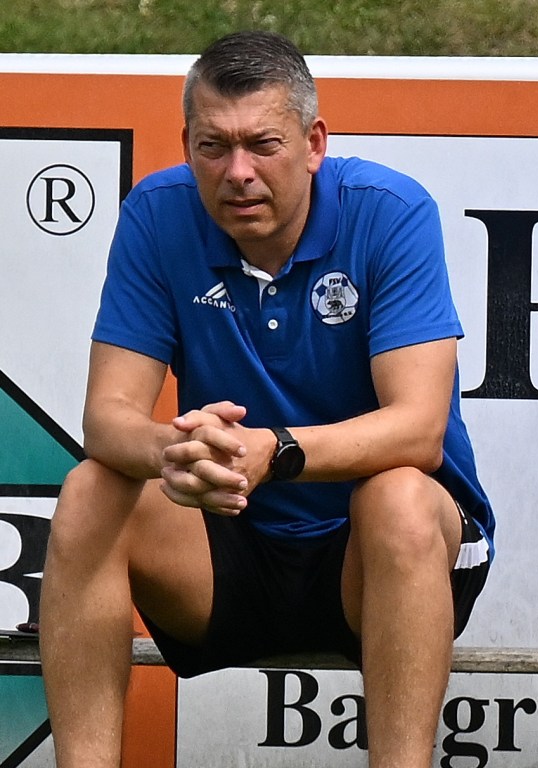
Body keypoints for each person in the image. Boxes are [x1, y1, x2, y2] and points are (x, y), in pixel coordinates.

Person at [39, 30, 494, 768]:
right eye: (214, 147)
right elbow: (107, 421)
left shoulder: (392, 210)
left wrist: (274, 451)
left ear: (314, 144)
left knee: (401, 498)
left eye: (263, 144)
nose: (238, 172)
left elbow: (418, 431)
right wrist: (177, 452)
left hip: (376, 563)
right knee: (91, 490)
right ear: (186, 145)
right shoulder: (156, 212)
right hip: (229, 546)